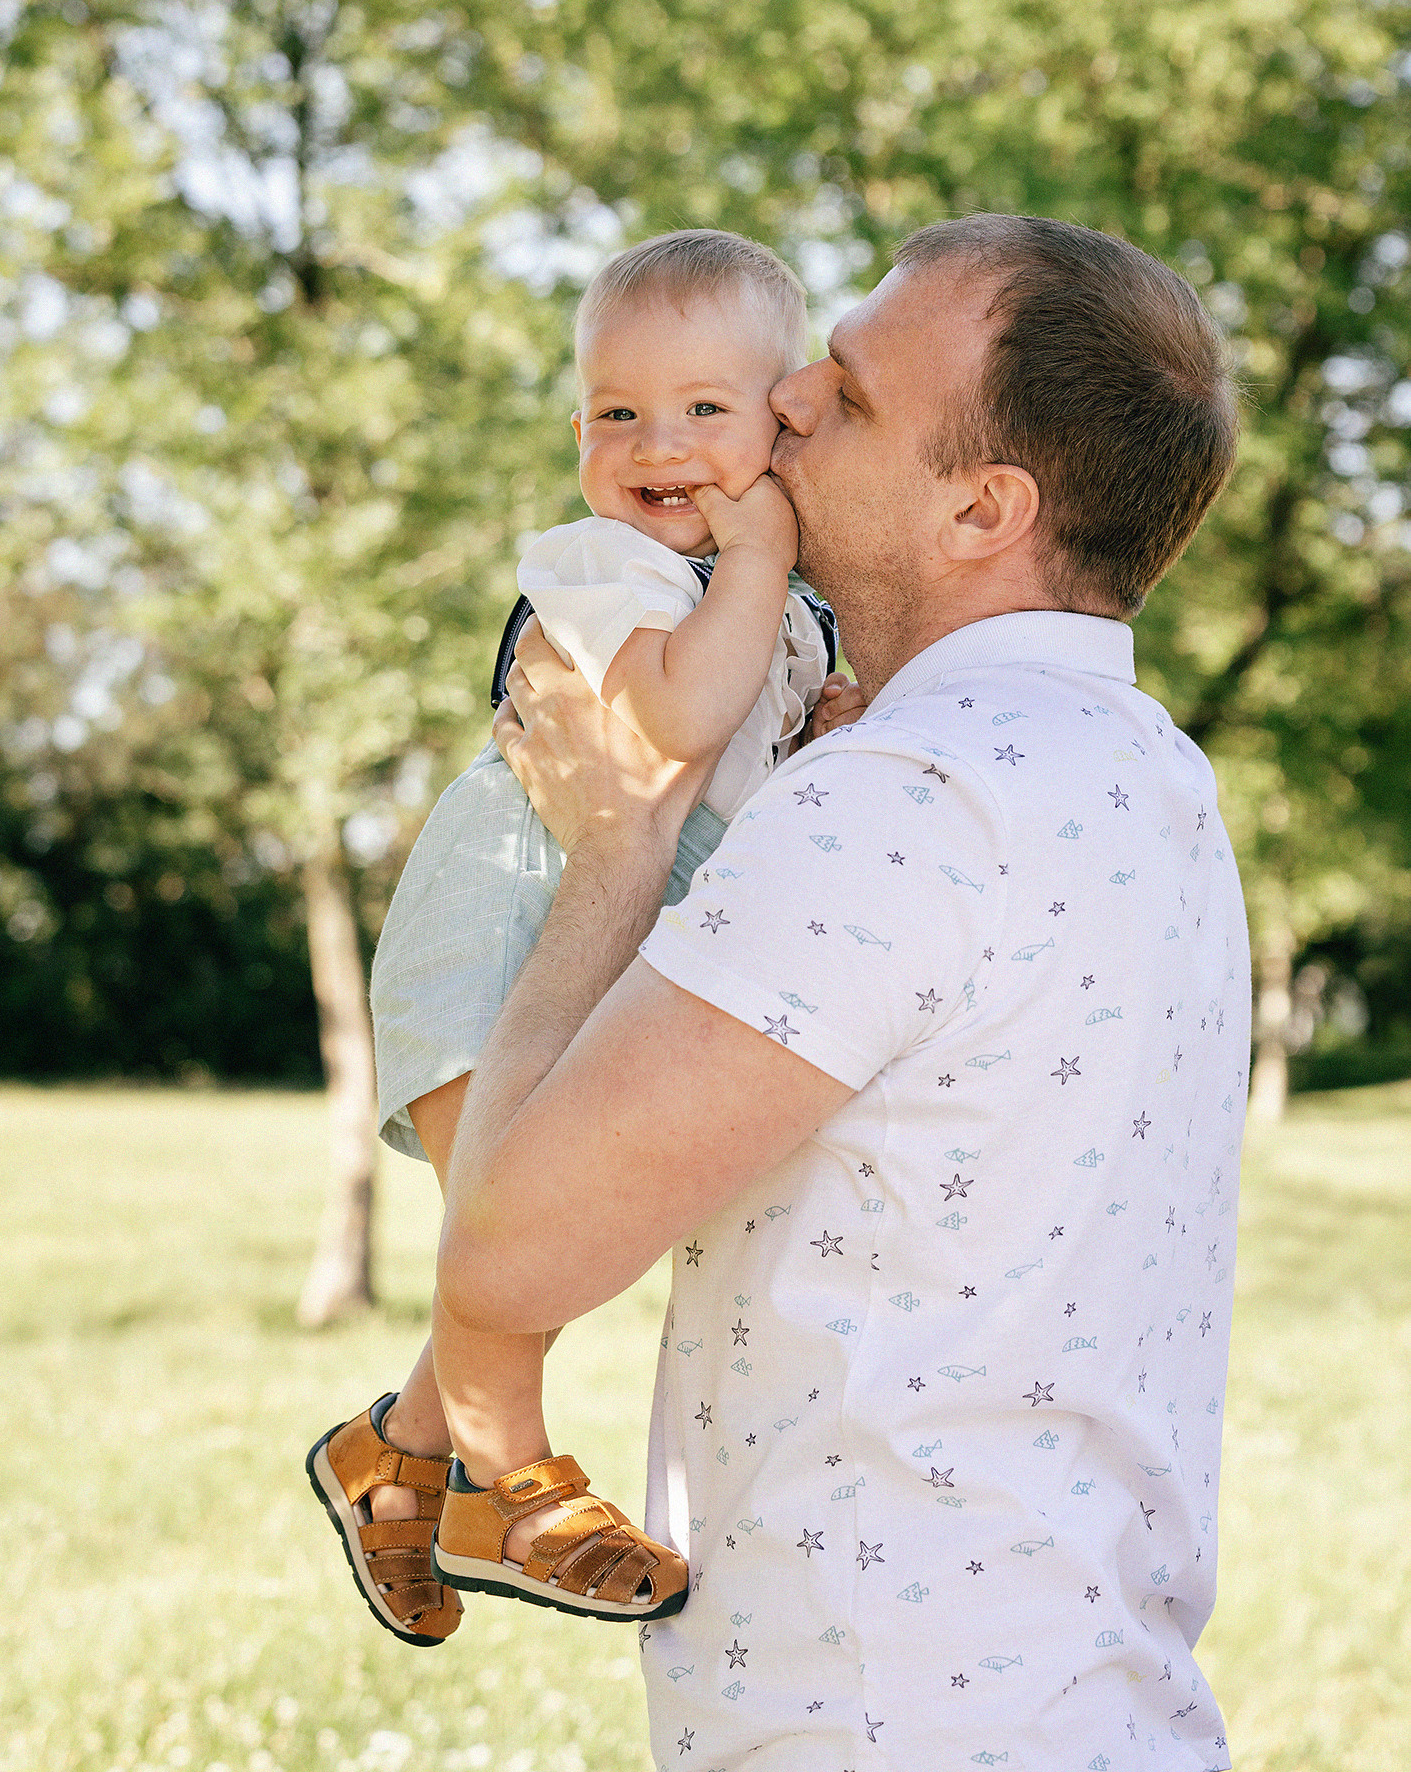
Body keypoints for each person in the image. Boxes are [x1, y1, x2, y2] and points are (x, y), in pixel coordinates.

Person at [438, 215, 1249, 1770]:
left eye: (851, 396)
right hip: (1073, 1701)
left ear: (980, 508)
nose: (787, 398)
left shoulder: (905, 799)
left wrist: (622, 842)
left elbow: (504, 1253)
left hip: (873, 1719)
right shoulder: (1147, 776)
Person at [306, 231, 864, 1645]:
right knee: (511, 1230)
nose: (654, 443)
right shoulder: (601, 569)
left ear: (782, 419)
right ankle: (512, 1485)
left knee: (552, 1238)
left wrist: (829, 722)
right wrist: (759, 553)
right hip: (500, 911)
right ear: (576, 439)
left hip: (616, 936)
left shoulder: (786, 611)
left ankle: (391, 1459)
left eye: (702, 411)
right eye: (617, 412)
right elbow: (670, 721)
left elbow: (751, 772)